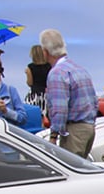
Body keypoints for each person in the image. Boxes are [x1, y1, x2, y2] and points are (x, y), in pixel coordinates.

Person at [40, 28, 98, 158]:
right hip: (89, 128)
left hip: (74, 131)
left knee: (70, 172)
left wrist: (54, 136)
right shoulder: (80, 69)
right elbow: (94, 101)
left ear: (45, 52)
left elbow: (59, 108)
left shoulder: (57, 73)